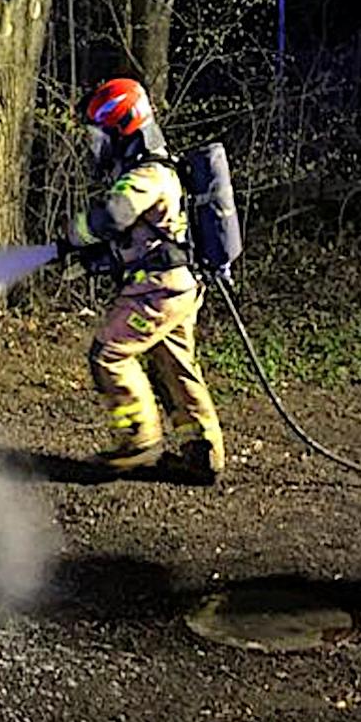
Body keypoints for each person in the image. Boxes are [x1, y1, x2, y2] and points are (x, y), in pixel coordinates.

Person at [61, 78, 225, 480]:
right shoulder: (160, 171)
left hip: (158, 290)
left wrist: (72, 235)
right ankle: (202, 454)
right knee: (176, 366)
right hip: (177, 286)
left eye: (100, 136)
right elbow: (141, 238)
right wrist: (93, 259)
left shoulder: (148, 175)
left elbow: (114, 215)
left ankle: (138, 442)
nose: (95, 146)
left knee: (108, 355)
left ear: (124, 129)